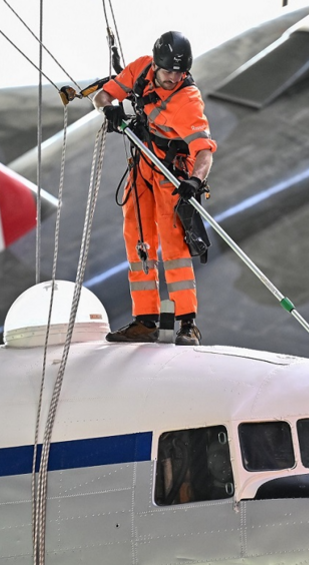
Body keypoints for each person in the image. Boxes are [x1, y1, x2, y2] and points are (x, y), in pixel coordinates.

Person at [93, 31, 216, 346]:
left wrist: (195, 180)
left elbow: (203, 150)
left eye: (180, 72)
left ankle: (187, 323)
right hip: (143, 165)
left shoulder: (187, 100)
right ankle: (145, 319)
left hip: (170, 173)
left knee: (173, 246)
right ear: (155, 65)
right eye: (167, 71)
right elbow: (102, 95)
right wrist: (110, 109)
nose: (173, 77)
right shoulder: (139, 69)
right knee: (138, 240)